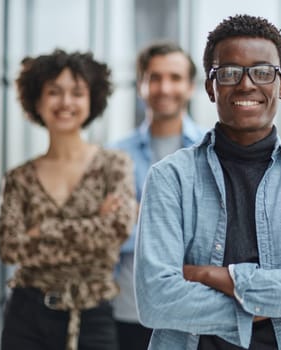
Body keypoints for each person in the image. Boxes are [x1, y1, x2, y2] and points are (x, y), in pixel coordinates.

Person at [134, 14, 281, 350]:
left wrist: (217, 276)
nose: (247, 84)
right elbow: (156, 299)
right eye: (230, 72)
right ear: (211, 86)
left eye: (263, 72)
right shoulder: (170, 179)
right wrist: (267, 305)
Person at [0, 49, 136, 350]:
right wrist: (92, 225)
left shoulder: (115, 164)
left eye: (77, 92)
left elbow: (117, 228)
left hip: (92, 315)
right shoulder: (19, 177)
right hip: (26, 316)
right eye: (53, 92)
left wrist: (40, 232)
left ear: (92, 99)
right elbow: (9, 247)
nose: (66, 102)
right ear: (37, 100)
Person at [109, 40, 204, 350]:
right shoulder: (115, 156)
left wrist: (141, 214)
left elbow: (213, 231)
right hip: (129, 310)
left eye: (175, 78)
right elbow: (112, 232)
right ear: (141, 86)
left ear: (190, 87)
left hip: (194, 309)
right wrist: (180, 218)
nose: (165, 87)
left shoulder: (211, 149)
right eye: (155, 78)